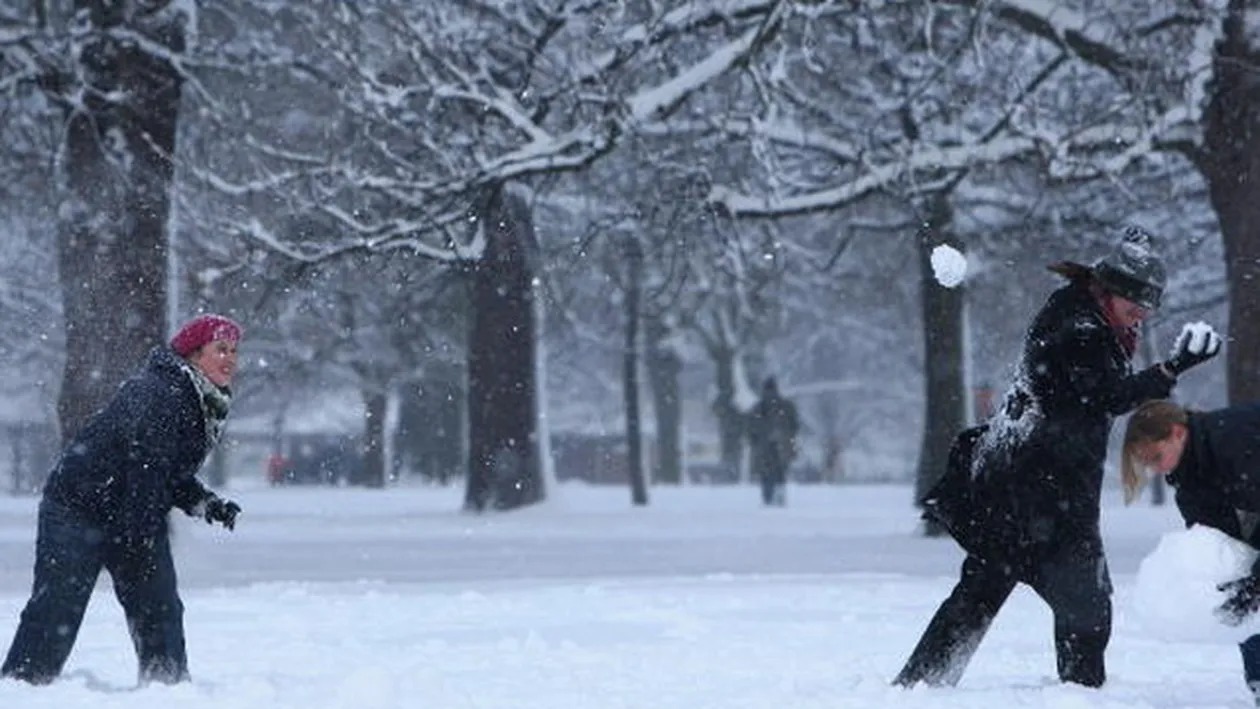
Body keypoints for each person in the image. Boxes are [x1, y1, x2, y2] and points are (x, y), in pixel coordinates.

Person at [893, 225, 1222, 689]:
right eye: (1136, 306)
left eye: (1148, 307)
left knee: (988, 591)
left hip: (1020, 481)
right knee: (1082, 605)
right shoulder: (1080, 326)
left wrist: (1136, 254)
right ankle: (1078, 693)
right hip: (1039, 488)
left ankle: (922, 684)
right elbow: (1105, 395)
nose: (1141, 317)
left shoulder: (1085, 308)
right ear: (1111, 293)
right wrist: (1170, 369)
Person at [2, 314, 245, 686]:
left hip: (132, 509)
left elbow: (167, 471)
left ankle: (166, 688)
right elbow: (146, 466)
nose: (230, 358)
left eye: (233, 350)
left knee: (160, 606)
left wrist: (205, 503)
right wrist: (139, 534)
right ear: (195, 355)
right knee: (58, 606)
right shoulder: (164, 392)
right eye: (220, 349)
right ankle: (23, 685)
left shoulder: (202, 400)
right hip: (77, 508)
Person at [1120, 396, 1260, 703]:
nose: (1155, 470)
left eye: (1156, 457)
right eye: (1148, 464)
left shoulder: (1234, 440)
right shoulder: (1191, 485)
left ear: (1177, 433)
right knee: (1242, 599)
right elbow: (1227, 553)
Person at [746, 376, 800, 506]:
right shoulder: (787, 406)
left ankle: (768, 498)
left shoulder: (758, 407)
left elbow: (750, 429)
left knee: (766, 474)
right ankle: (780, 497)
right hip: (783, 445)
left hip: (763, 447)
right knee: (781, 473)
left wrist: (755, 441)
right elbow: (795, 426)